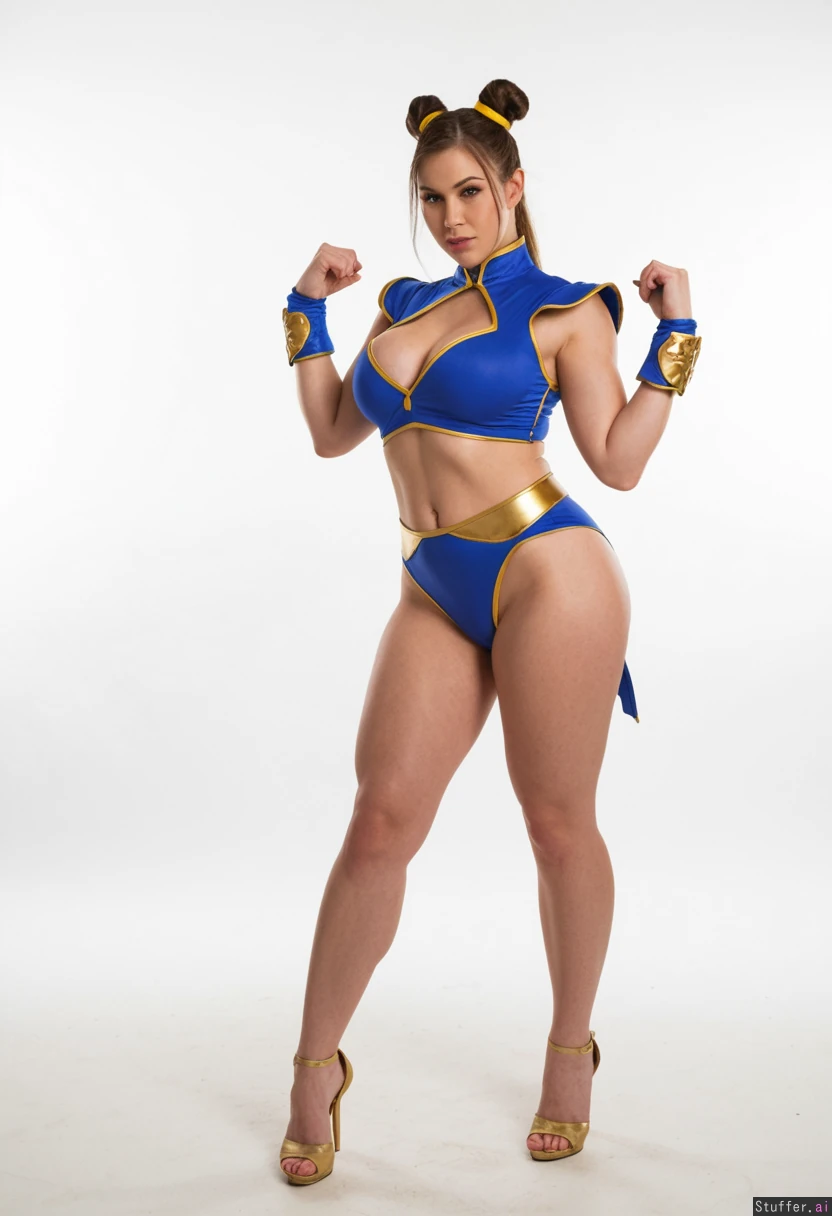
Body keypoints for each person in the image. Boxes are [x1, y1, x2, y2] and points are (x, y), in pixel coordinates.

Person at [278, 78, 701, 1186]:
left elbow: (617, 460)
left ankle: (570, 1052)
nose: (452, 215)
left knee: (555, 823)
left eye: (470, 191)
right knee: (379, 821)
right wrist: (305, 311)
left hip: (547, 569)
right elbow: (331, 431)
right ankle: (315, 1068)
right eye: (432, 198)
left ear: (513, 187)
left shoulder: (567, 309)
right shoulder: (401, 304)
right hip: (432, 582)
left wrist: (677, 335)